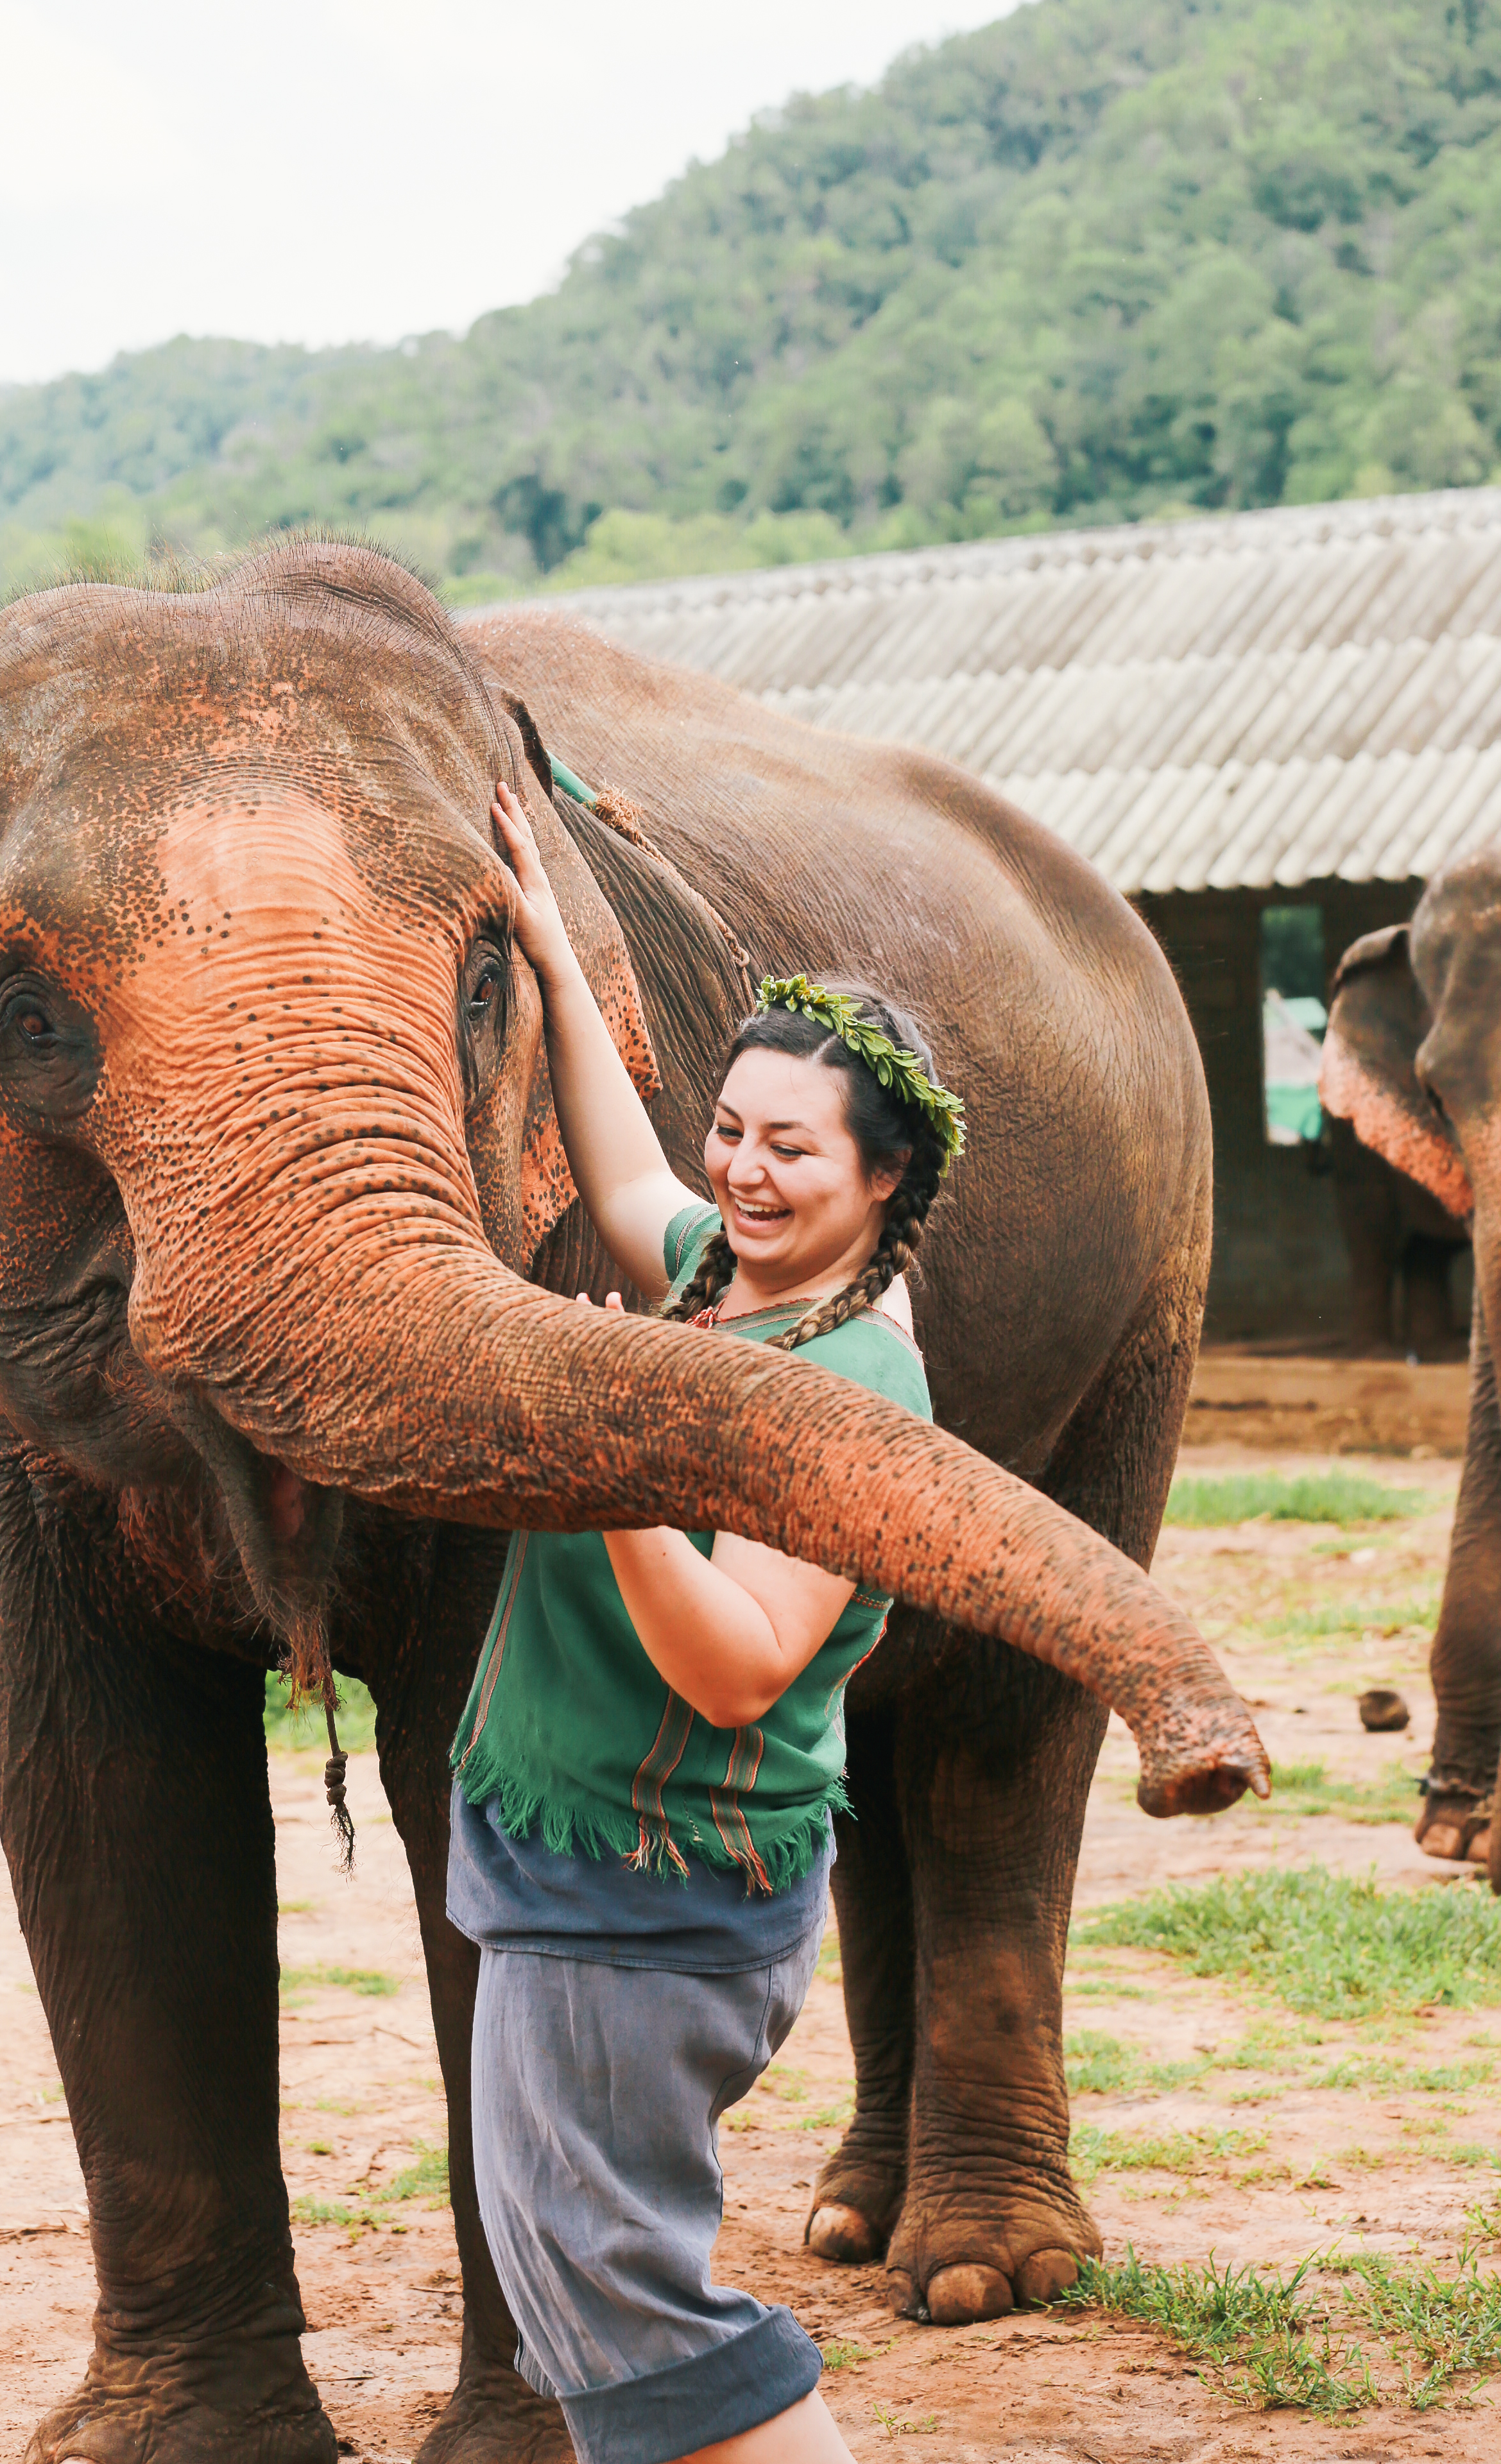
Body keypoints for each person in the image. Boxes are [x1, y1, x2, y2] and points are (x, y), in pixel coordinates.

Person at [446, 780, 965, 2464]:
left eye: (790, 1146)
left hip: (652, 1892)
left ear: (885, 1180)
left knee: (626, 2302)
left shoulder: (855, 1386)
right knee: (577, 2291)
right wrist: (544, 939)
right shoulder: (715, 1292)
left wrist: (608, 1467)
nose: (741, 1168)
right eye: (734, 1128)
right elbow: (623, 1169)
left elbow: (742, 1667)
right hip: (578, 1865)